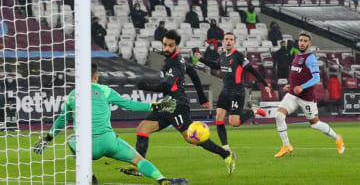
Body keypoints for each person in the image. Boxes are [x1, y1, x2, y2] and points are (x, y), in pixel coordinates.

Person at [33, 62, 187, 185]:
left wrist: (47, 139)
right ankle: (162, 180)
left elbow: (62, 120)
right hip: (109, 142)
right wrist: (155, 106)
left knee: (70, 139)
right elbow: (130, 105)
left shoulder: (73, 95)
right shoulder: (105, 91)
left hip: (87, 148)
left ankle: (89, 176)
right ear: (96, 76)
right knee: (139, 160)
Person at [120, 30, 236, 176]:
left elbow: (166, 86)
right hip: (167, 103)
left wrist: (144, 85)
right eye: (164, 45)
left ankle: (226, 155)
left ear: (177, 45)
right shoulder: (176, 59)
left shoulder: (175, 63)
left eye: (170, 45)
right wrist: (201, 97)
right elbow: (192, 73)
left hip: (177, 105)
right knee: (142, 129)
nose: (166, 48)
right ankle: (140, 167)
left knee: (190, 137)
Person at [194, 32, 271, 151]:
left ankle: (253, 111)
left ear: (234, 42)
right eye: (226, 39)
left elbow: (252, 71)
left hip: (237, 92)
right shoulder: (222, 55)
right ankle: (225, 148)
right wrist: (201, 59)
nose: (228, 41)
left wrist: (265, 84)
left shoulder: (239, 56)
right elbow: (215, 66)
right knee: (219, 117)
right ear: (223, 42)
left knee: (234, 122)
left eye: (231, 39)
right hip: (225, 91)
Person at [274, 31, 344, 158]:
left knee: (315, 124)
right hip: (293, 94)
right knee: (279, 115)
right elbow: (298, 74)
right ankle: (286, 145)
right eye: (300, 40)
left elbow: (316, 78)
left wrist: (302, 87)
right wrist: (291, 85)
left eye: (305, 41)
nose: (302, 43)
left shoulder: (310, 58)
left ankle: (337, 138)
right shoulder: (297, 56)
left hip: (306, 97)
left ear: (309, 43)